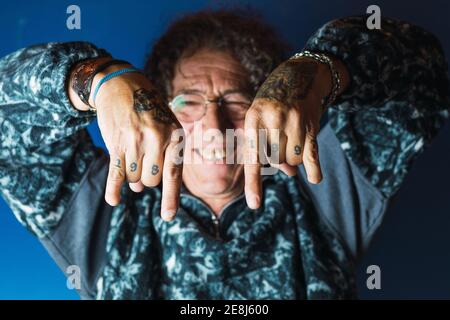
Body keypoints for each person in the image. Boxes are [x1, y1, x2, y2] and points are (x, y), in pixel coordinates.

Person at [0, 10, 448, 299]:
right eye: (188, 101)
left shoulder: (323, 185)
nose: (213, 128)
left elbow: (425, 79)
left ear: (272, 110)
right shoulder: (106, 210)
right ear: (155, 112)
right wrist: (96, 81)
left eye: (236, 102)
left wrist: (320, 69)